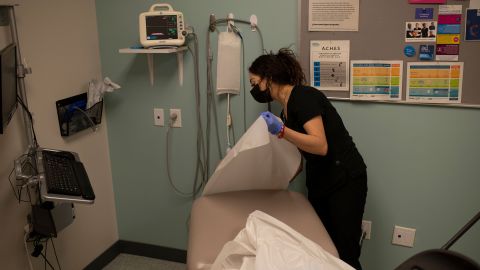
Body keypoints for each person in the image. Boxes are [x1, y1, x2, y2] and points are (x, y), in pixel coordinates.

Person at [248, 48, 368, 270]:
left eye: (255, 83)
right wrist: (276, 183)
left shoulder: (303, 97)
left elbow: (320, 145)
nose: (254, 89)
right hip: (322, 180)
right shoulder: (285, 110)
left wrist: (282, 131)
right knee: (321, 247)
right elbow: (300, 155)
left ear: (269, 78)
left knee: (345, 252)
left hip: (345, 179)